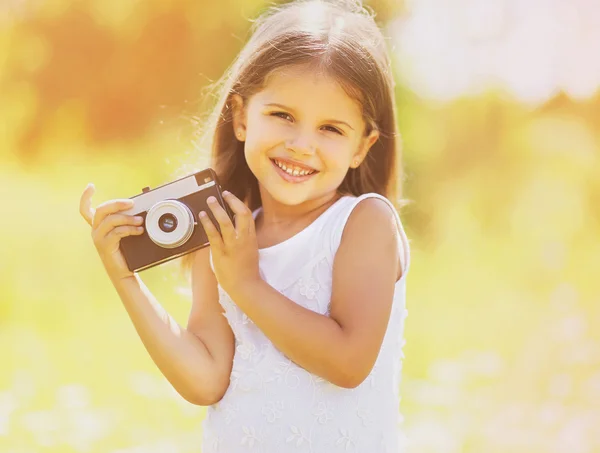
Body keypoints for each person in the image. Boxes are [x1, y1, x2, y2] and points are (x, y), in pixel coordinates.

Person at [79, 0, 411, 451]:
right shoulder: (220, 232)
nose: (301, 145)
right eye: (283, 115)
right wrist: (125, 278)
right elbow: (206, 381)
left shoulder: (363, 223)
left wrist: (246, 284)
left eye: (331, 129)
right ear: (240, 117)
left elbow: (350, 362)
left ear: (361, 146)